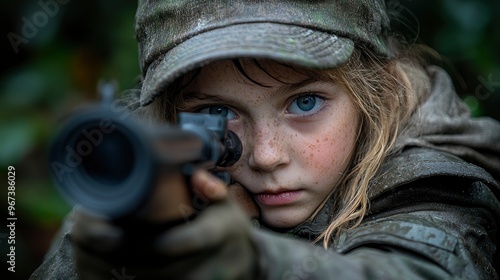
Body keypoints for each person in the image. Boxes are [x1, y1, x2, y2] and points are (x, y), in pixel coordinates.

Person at [31, 0, 500, 279]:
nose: (266, 156)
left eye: (304, 103)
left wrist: (249, 262)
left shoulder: (433, 175)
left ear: (374, 90)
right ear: (169, 114)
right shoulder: (146, 170)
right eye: (217, 113)